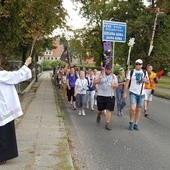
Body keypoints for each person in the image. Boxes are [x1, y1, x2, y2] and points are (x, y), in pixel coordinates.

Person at [0, 57, 32, 165]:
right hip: (3, 109)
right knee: (4, 134)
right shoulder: (1, 75)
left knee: (5, 132)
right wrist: (26, 64)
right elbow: (16, 76)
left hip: (4, 108)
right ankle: (2, 156)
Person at [123, 59, 149, 131]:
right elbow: (127, 82)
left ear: (142, 65)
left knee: (139, 109)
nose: (138, 65)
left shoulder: (145, 72)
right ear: (135, 64)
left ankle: (136, 123)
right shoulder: (131, 72)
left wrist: (145, 80)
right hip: (133, 92)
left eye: (139, 64)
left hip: (141, 93)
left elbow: (148, 81)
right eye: (137, 64)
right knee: (133, 108)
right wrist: (125, 92)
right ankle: (131, 121)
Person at [94, 63, 118, 130]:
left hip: (110, 95)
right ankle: (99, 115)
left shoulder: (114, 76)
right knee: (100, 109)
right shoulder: (100, 74)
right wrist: (99, 78)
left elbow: (117, 85)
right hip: (101, 95)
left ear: (111, 69)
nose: (108, 70)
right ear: (105, 69)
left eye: (109, 69)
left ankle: (107, 124)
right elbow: (94, 83)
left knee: (109, 110)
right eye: (107, 69)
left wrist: (113, 85)